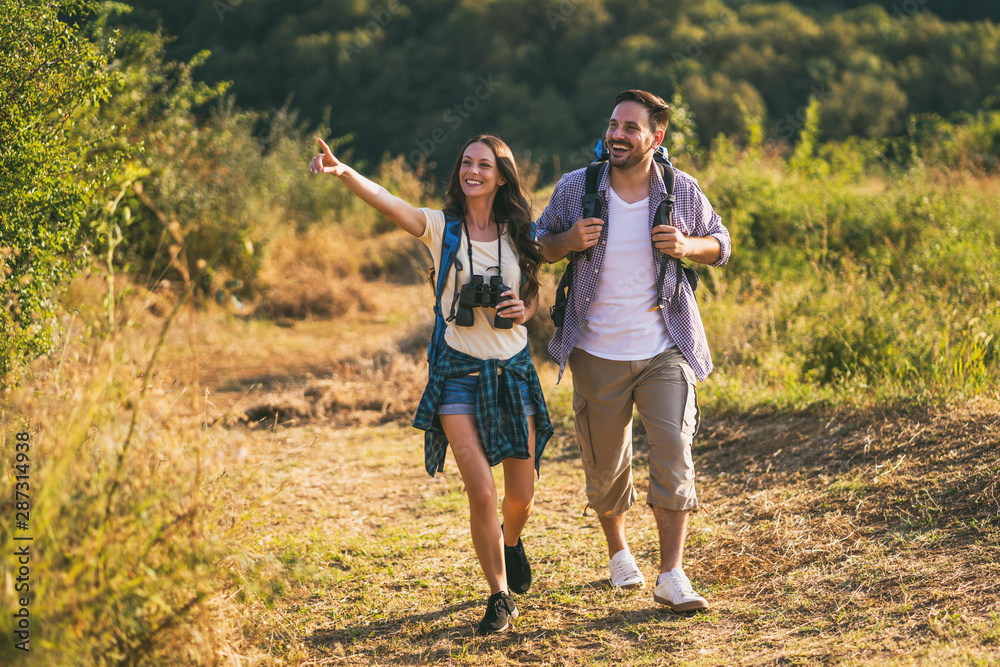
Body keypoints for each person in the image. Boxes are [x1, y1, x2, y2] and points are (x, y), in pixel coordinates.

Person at [309, 134, 553, 634]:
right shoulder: (442, 228)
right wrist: (345, 173)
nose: (473, 171)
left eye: (484, 165)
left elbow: (532, 298)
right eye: (466, 162)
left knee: (520, 495)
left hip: (513, 370)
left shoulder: (519, 230)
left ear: (501, 176)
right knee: (481, 492)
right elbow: (389, 203)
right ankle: (499, 595)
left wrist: (520, 309)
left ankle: (511, 540)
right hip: (457, 371)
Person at [535, 90, 731, 613]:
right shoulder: (578, 188)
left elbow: (721, 243)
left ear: (656, 137)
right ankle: (618, 550)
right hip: (596, 350)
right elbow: (538, 244)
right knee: (607, 464)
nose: (616, 135)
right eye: (613, 125)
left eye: (630, 128)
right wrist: (567, 241)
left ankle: (672, 574)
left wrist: (689, 247)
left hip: (665, 344)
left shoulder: (680, 190)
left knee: (673, 451)